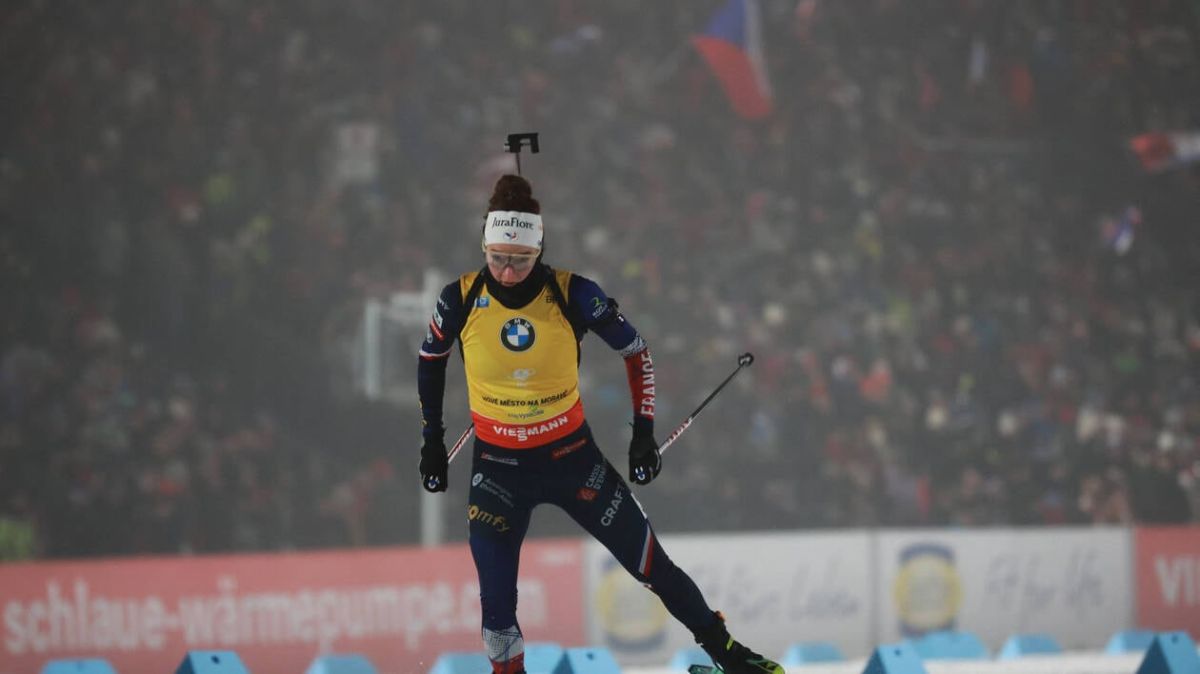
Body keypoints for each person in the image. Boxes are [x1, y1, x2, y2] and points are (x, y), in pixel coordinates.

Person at [417, 174, 784, 674]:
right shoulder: (458, 297)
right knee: (496, 607)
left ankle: (729, 655)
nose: (506, 273)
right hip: (498, 468)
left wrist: (643, 433)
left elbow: (637, 352)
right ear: (483, 245)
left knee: (650, 564)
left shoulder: (573, 293)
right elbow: (430, 359)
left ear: (539, 251)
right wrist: (431, 442)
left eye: (520, 261)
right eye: (497, 258)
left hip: (571, 459)